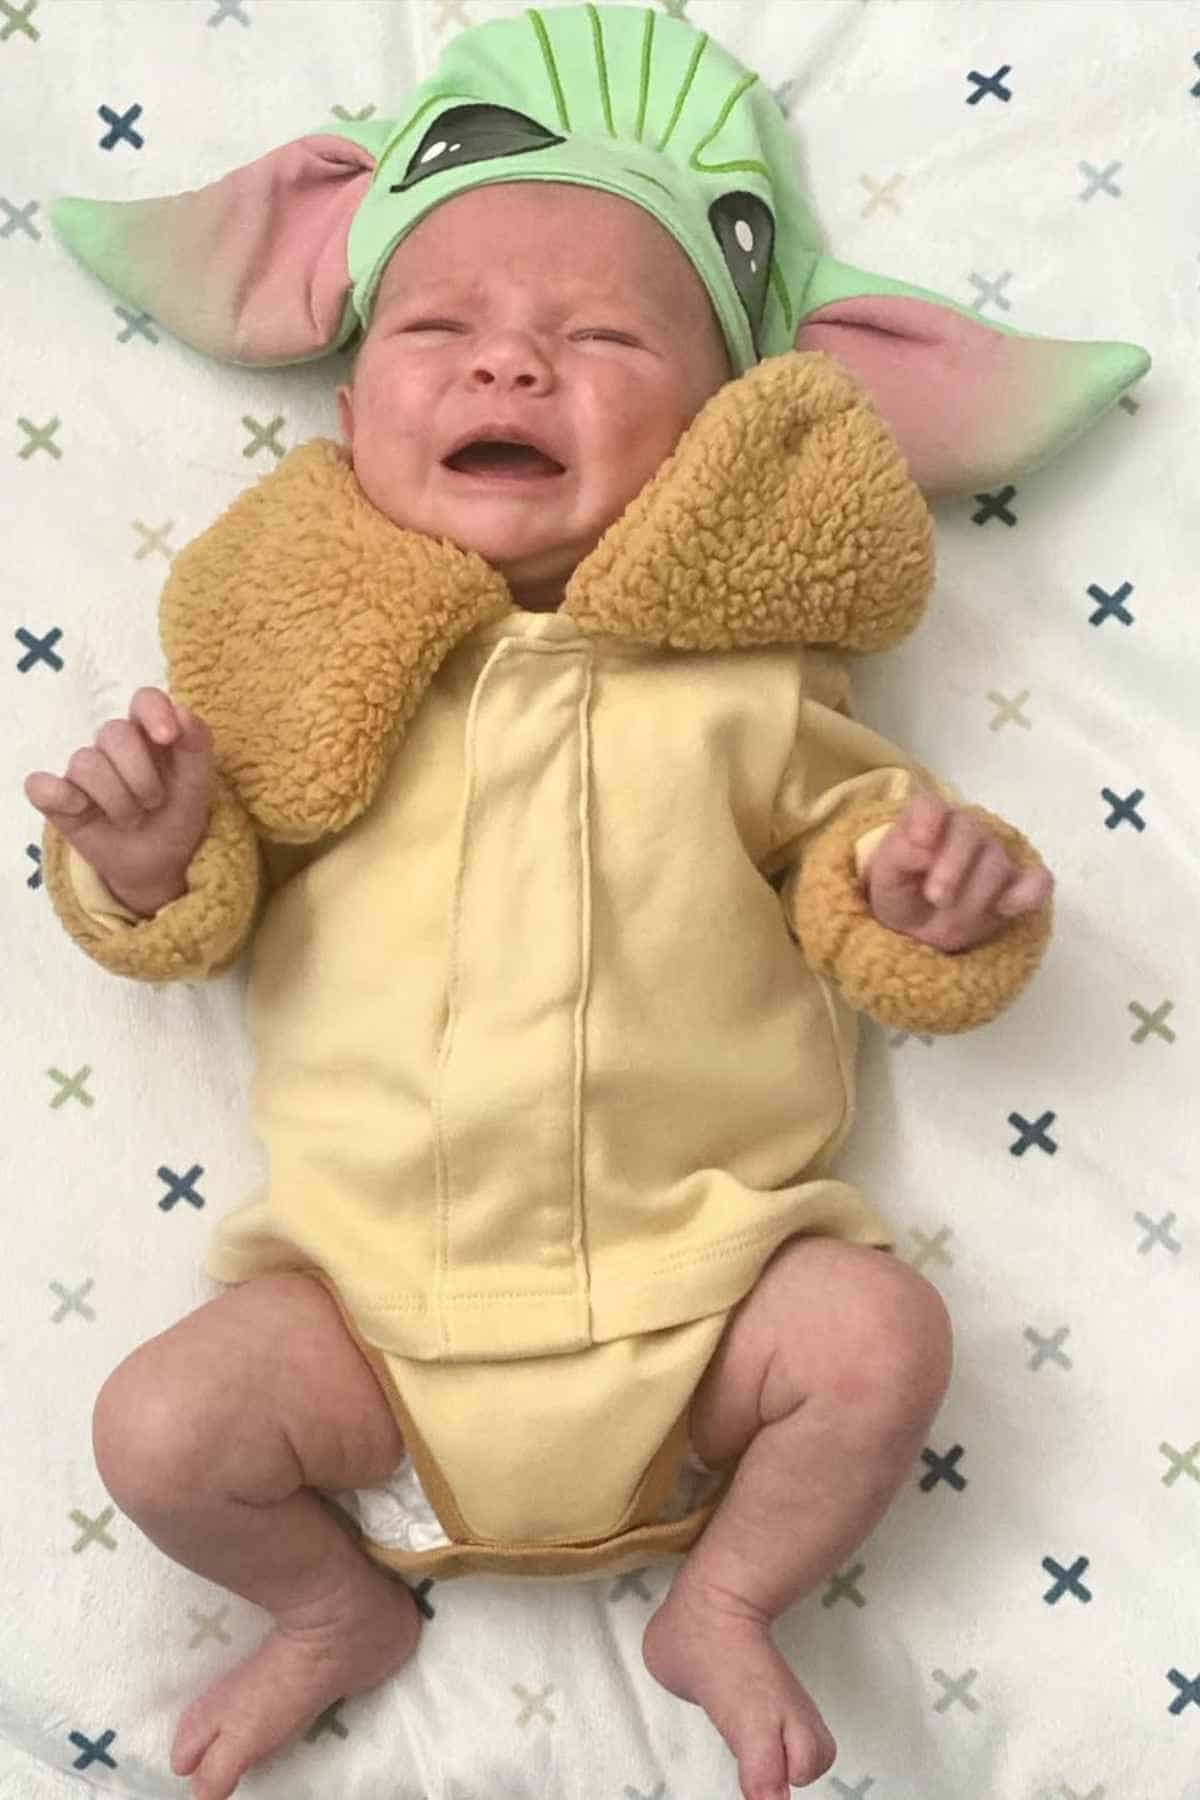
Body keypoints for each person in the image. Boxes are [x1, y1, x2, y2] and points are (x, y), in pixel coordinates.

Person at [31, 8, 1143, 1798]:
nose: (507, 371)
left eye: (603, 337)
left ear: (716, 424)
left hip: (705, 1297)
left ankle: (731, 1592)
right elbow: (205, 899)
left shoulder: (752, 685)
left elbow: (853, 863)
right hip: (368, 1326)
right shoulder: (316, 680)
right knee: (157, 1432)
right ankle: (332, 1610)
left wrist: (932, 903)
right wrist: (151, 858)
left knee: (878, 1340)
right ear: (348, 392)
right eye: (442, 330)